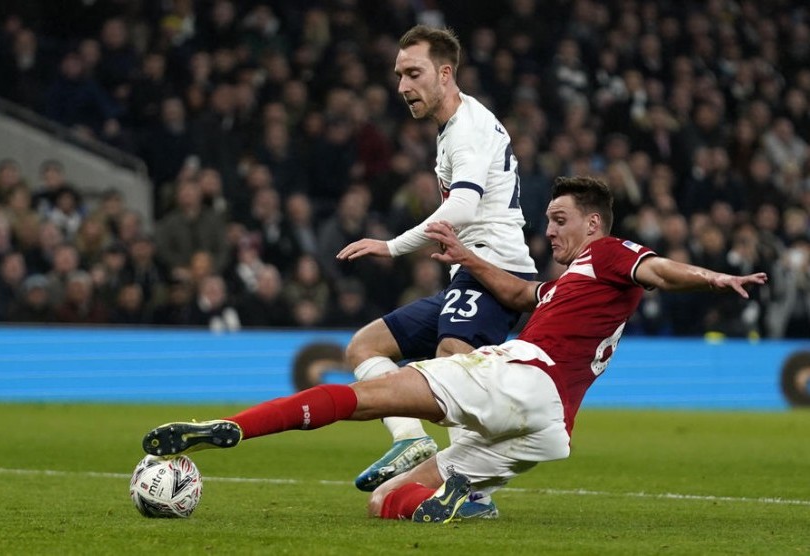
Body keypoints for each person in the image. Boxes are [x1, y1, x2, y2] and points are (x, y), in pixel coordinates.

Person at [141, 176, 768, 523]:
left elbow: (657, 270)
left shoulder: (608, 254)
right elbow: (523, 293)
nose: (548, 230)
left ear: (593, 224)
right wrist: (470, 257)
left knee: (365, 396)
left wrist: (711, 276)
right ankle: (455, 502)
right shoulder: (571, 284)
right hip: (549, 430)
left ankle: (230, 428)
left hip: (521, 379)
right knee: (383, 503)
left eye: (558, 219)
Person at [334, 24, 537, 503]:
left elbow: (464, 206)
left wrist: (392, 246)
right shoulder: (456, 125)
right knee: (365, 348)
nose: (403, 86)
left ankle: (473, 493)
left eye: (414, 73)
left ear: (445, 74)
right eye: (400, 75)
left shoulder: (465, 129)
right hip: (468, 271)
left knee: (452, 371)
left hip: (492, 268)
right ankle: (409, 439)